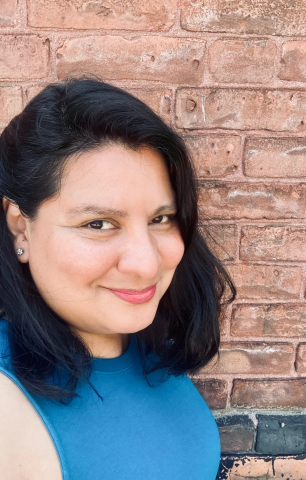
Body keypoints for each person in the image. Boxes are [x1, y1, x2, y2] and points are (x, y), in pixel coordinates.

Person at [0, 78, 236, 480]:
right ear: (21, 229)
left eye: (161, 219)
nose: (146, 264)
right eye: (99, 223)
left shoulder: (147, 344)